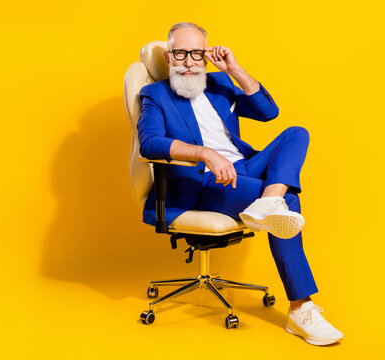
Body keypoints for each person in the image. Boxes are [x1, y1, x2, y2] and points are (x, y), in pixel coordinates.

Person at [137, 21, 343, 346]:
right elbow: (149, 144)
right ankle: (300, 308)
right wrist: (204, 154)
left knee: (296, 133)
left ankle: (270, 198)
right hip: (206, 182)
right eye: (180, 53)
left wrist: (234, 69)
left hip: (244, 166)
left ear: (205, 56)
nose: (188, 61)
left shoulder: (219, 83)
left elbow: (269, 112)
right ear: (168, 55)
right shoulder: (155, 94)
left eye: (195, 53)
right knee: (289, 203)